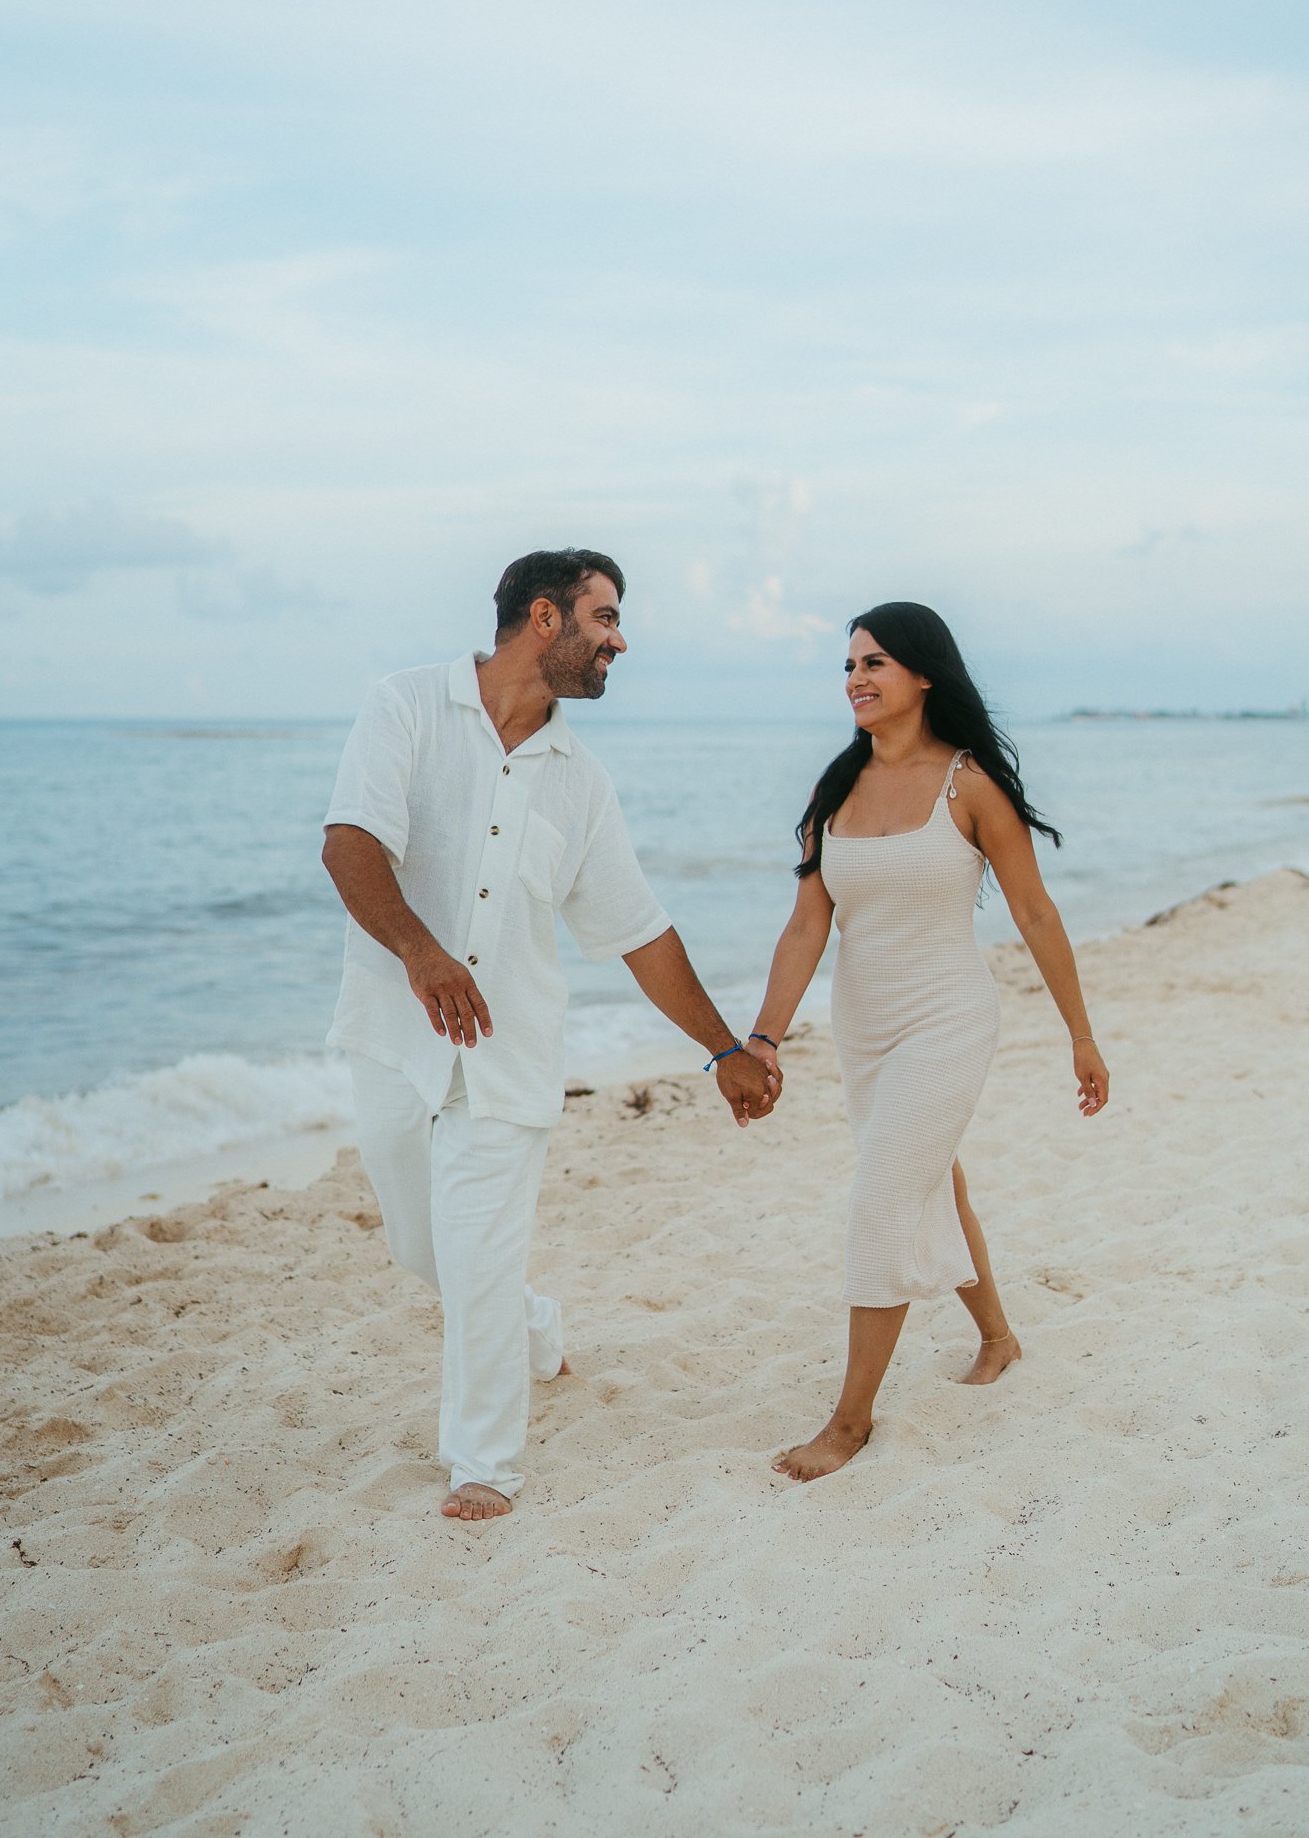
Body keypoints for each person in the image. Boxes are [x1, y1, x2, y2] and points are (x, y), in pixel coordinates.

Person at [321, 548, 776, 1523]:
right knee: (419, 1242)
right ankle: (532, 1325)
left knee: (479, 1248)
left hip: (512, 1049)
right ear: (544, 617)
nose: (620, 639)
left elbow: (638, 929)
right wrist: (421, 951)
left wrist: (724, 1048)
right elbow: (349, 842)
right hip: (395, 1034)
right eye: (605, 617)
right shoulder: (403, 707)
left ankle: (483, 1462)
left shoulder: (580, 779)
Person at [745, 601, 1109, 1482]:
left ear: (922, 675)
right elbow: (805, 930)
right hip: (862, 1029)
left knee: (880, 1204)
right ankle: (998, 1337)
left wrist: (1080, 1036)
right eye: (848, 665)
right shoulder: (832, 790)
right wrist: (763, 1037)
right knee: (931, 1185)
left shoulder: (968, 784)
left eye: (874, 662)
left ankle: (848, 1422)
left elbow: (1032, 911)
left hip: (948, 1018)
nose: (856, 679)